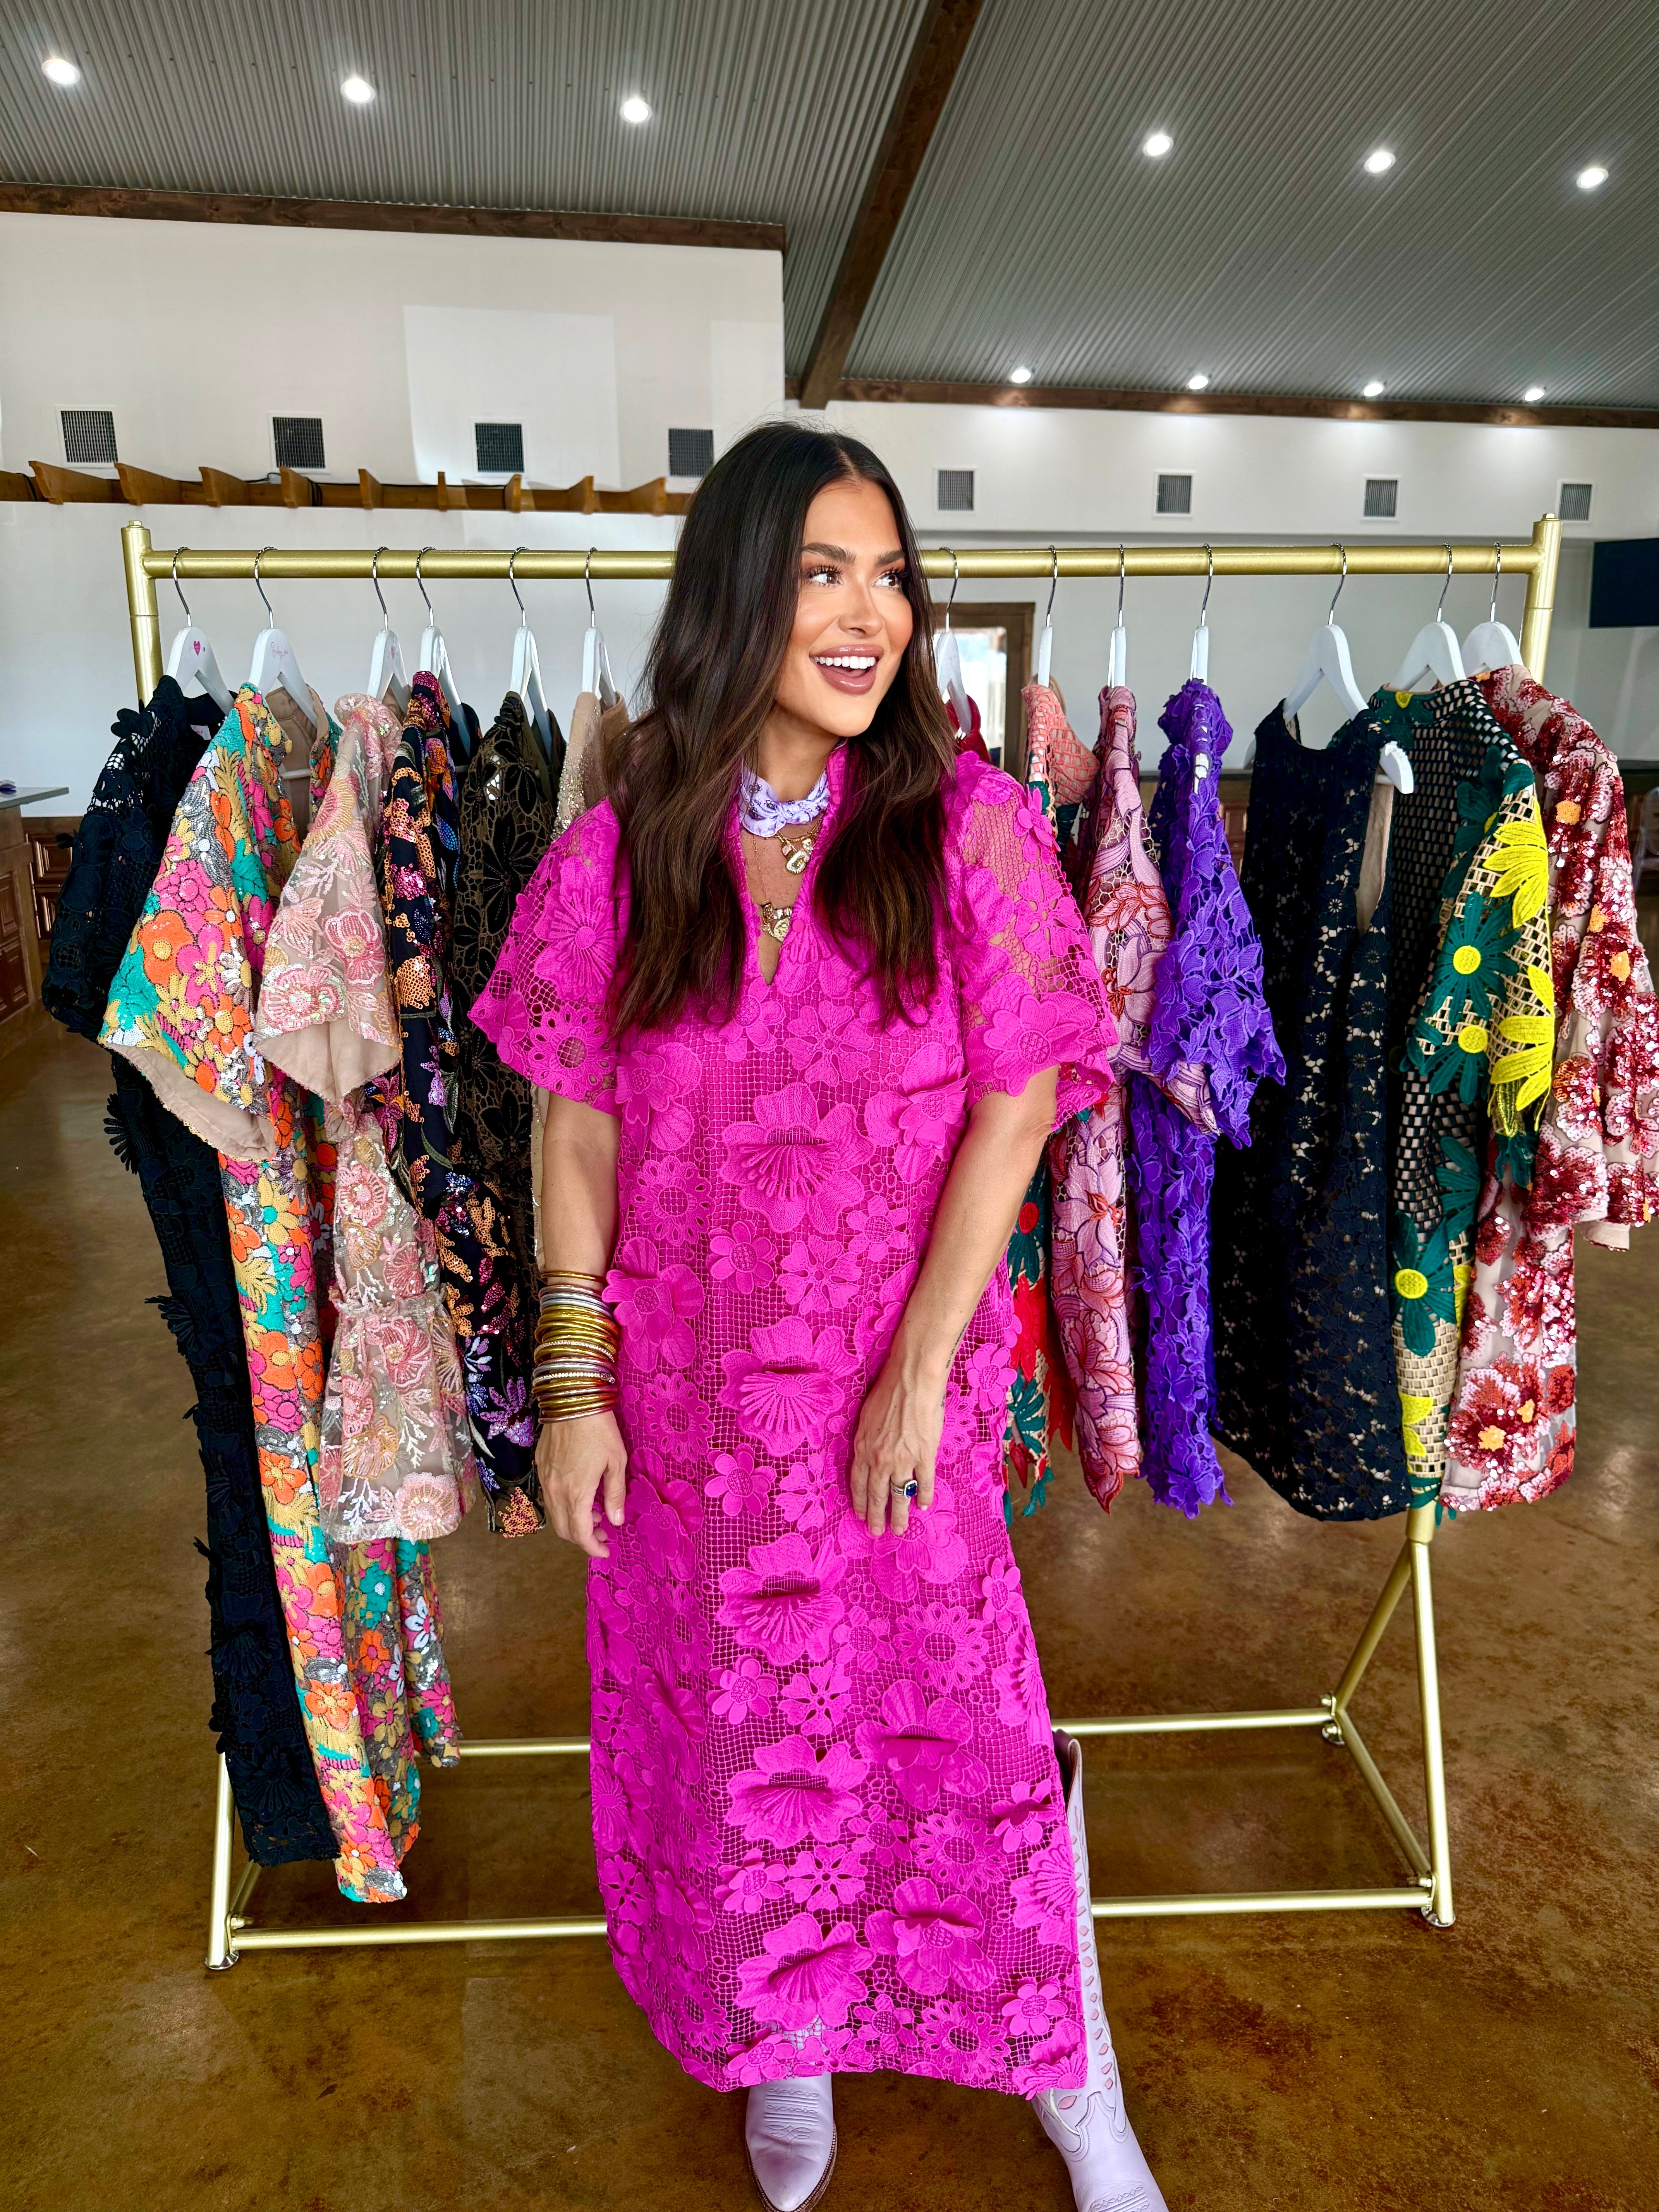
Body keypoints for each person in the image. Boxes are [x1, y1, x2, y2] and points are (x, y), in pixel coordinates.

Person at [474, 421, 1167, 2212]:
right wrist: (575, 1388)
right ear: (734, 599)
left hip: (890, 1411)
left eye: (890, 577)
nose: (871, 616)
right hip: (689, 1438)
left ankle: (1074, 2081)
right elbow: (574, 1128)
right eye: (822, 575)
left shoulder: (971, 836)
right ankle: (789, 2047)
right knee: (737, 1755)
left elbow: (1021, 1103)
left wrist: (921, 1374)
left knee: (968, 1750)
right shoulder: (621, 858)